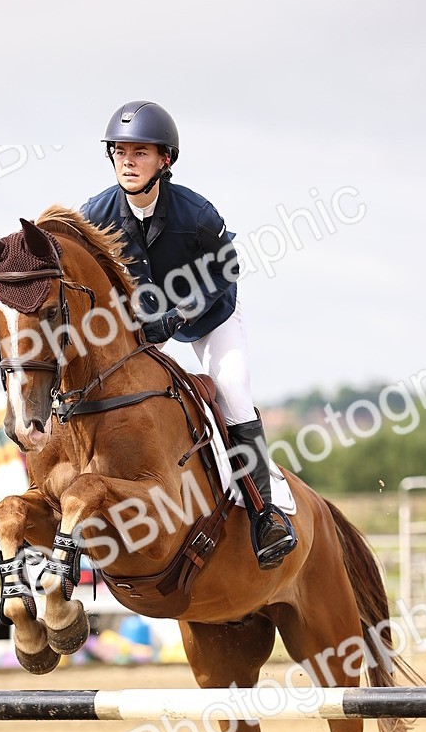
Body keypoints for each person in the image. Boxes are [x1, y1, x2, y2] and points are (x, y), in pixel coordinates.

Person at [80, 100, 296, 570]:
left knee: (233, 391)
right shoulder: (95, 215)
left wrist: (178, 316)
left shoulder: (196, 213)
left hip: (210, 316)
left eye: (140, 152)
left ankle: (266, 514)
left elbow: (228, 270)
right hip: (143, 324)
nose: (128, 161)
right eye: (120, 151)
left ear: (165, 160)